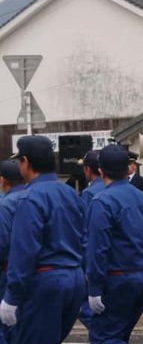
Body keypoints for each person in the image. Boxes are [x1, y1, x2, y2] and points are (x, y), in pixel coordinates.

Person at [0, 136, 85, 343]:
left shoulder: (30, 198)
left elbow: (24, 251)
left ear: (26, 162)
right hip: (75, 277)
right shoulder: (70, 192)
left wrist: (11, 297)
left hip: (45, 281)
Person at [85, 145, 143, 343]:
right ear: (128, 169)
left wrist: (95, 287)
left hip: (117, 279)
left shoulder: (102, 201)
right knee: (120, 334)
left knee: (105, 336)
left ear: (100, 170)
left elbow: (98, 248)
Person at [77, 150, 105, 329]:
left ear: (88, 169)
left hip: (94, 258)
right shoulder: (113, 187)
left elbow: (84, 230)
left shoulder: (89, 194)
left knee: (86, 309)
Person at [0, 161, 24, 344]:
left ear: (3, 181)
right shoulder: (32, 196)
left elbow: (2, 244)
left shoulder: (5, 204)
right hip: (34, 272)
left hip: (7, 272)